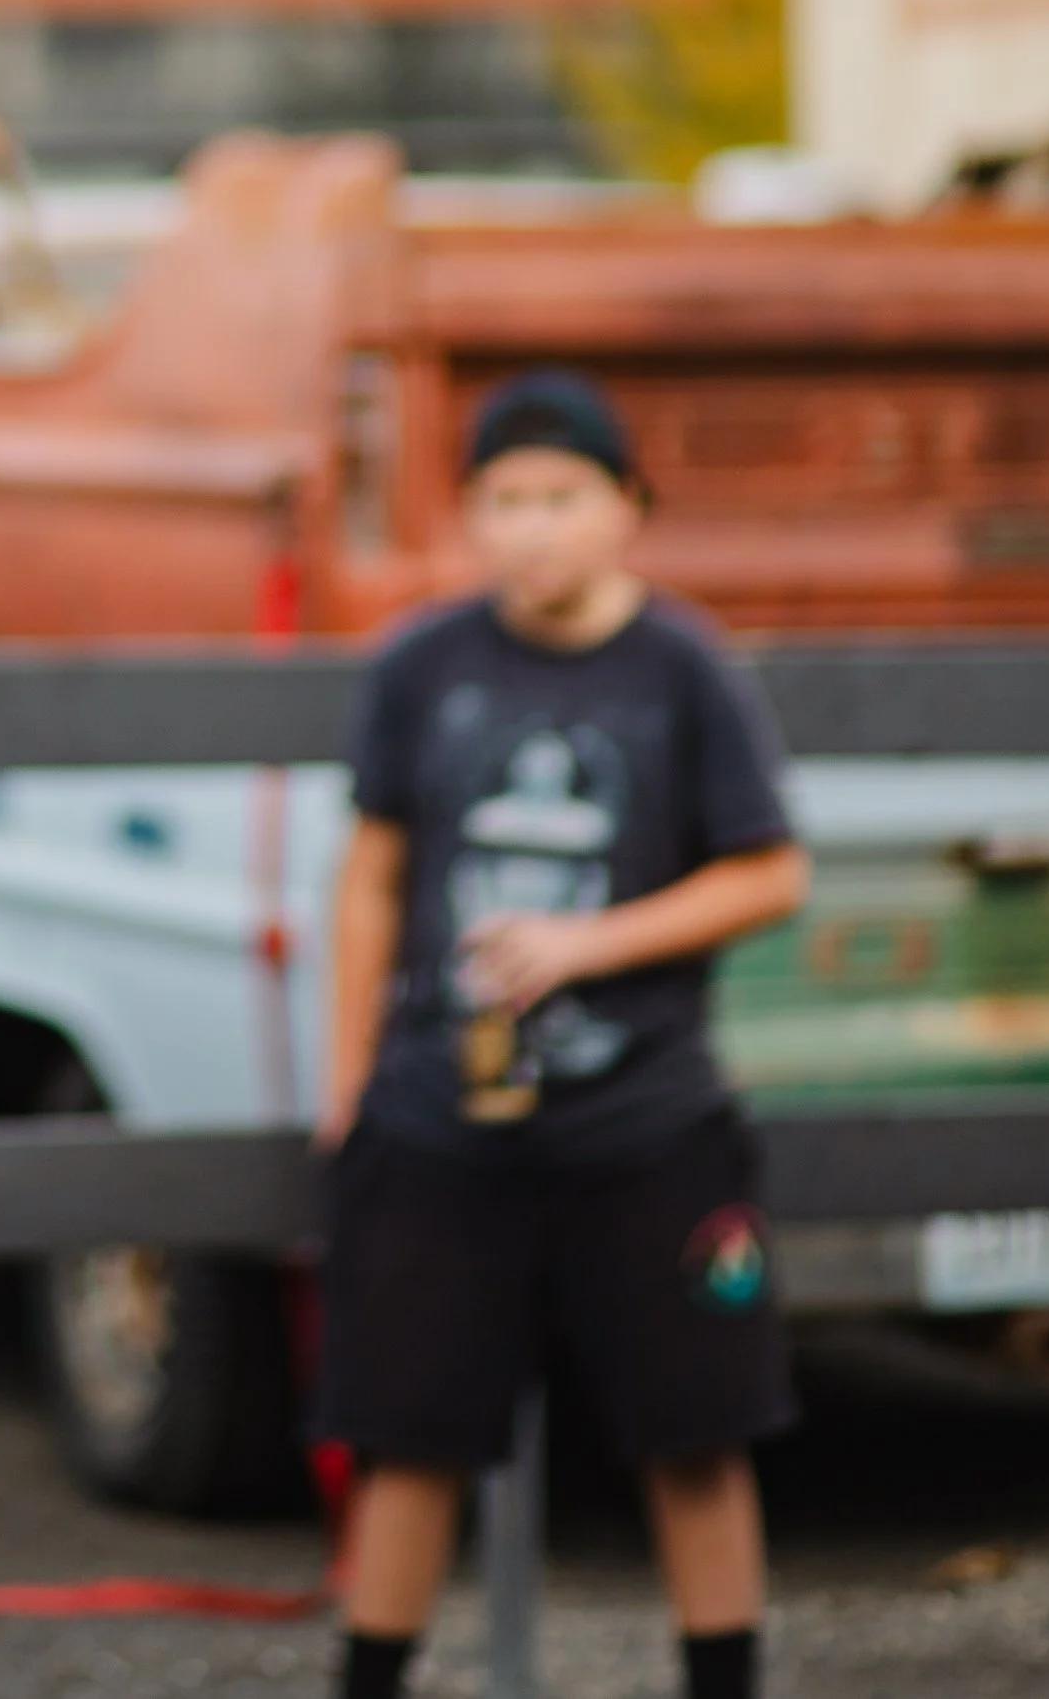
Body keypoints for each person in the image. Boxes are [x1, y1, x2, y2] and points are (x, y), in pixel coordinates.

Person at [316, 367, 811, 1699]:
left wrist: (586, 944)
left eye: (561, 498)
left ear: (629, 509)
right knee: (407, 1442)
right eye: (505, 501)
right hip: (437, 1121)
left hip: (647, 1125)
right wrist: (348, 1078)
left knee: (698, 1440)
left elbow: (771, 873)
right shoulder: (422, 662)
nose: (532, 528)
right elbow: (370, 872)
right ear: (471, 516)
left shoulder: (685, 669)